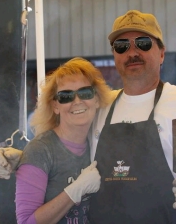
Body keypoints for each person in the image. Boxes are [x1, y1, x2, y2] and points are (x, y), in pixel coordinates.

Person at [0, 10, 176, 223]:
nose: (132, 52)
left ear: (162, 53)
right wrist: (26, 159)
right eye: (122, 45)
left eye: (143, 43)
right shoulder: (101, 105)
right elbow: (67, 145)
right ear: (115, 54)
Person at [15, 57, 113, 224]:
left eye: (85, 93)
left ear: (96, 99)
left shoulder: (98, 143)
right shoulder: (41, 150)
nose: (77, 101)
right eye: (66, 96)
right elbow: (25, 222)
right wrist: (75, 190)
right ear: (55, 106)